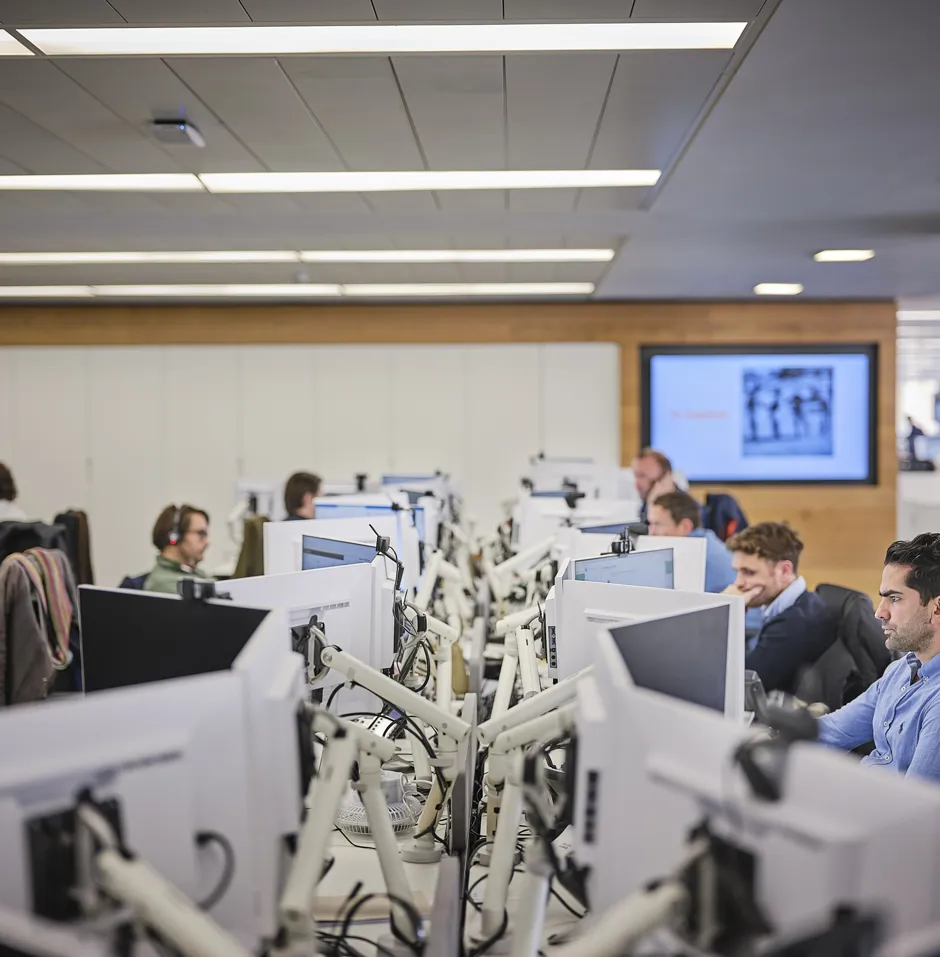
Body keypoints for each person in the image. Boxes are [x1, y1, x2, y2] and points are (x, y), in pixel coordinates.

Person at [815, 534, 940, 782]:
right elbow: (834, 731)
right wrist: (771, 736)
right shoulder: (900, 670)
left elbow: (913, 807)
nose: (879, 612)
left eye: (894, 598)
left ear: (936, 609)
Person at [725, 522, 833, 694]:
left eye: (749, 572)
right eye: (737, 572)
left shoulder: (794, 623)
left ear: (784, 570)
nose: (738, 583)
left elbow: (738, 687)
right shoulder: (801, 604)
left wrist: (728, 615)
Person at [648, 490, 736, 593]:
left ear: (685, 527)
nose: (651, 532)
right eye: (650, 524)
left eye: (658, 524)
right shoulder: (705, 541)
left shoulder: (696, 556)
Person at [143, 505, 212, 594]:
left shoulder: (197, 574)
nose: (207, 542)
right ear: (175, 536)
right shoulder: (163, 584)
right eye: (201, 533)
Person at [631, 448, 675, 523]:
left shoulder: (687, 511)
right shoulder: (646, 504)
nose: (637, 482)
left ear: (664, 479)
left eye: (643, 476)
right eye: (636, 475)